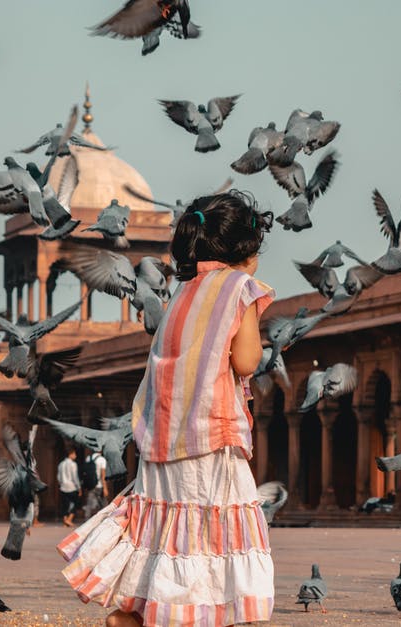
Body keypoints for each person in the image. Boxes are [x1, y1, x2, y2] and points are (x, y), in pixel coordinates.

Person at [57, 192, 276, 627]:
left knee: (168, 536)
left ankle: (134, 616)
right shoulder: (239, 288)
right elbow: (248, 361)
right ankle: (188, 616)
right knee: (208, 538)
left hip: (162, 438)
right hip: (210, 438)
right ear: (245, 251)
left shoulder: (180, 293)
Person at [81, 449, 108, 518]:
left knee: (89, 503)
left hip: (90, 485)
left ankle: (86, 519)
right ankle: (104, 519)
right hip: (99, 485)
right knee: (103, 504)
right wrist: (105, 488)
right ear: (101, 450)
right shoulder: (102, 459)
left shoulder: (88, 458)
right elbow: (103, 475)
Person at [57, 449, 80, 527]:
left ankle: (65, 520)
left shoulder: (61, 464)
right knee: (75, 503)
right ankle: (69, 519)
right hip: (72, 487)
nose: (75, 456)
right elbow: (75, 477)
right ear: (70, 454)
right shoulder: (73, 464)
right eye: (74, 454)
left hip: (63, 487)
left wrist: (61, 484)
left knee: (64, 504)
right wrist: (79, 487)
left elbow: (59, 477)